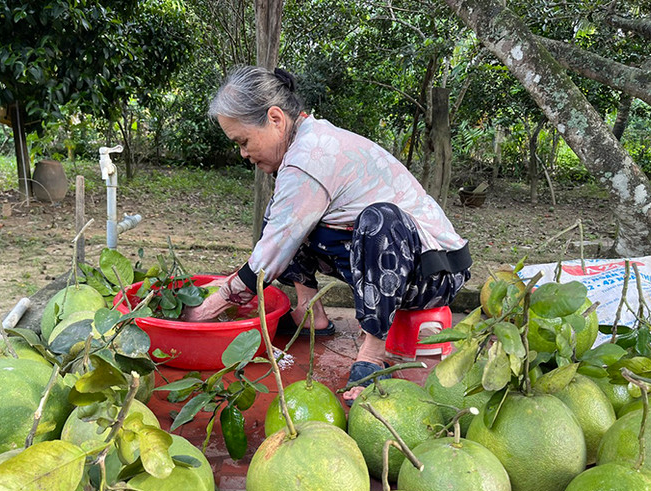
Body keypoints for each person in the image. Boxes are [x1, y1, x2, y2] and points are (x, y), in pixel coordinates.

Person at [181, 65, 471, 403]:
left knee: (379, 221)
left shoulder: (309, 156)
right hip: (398, 264)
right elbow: (280, 234)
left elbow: (272, 252)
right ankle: (310, 313)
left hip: (434, 273)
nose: (243, 154)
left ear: (275, 119)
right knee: (282, 216)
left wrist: (211, 307)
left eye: (243, 142)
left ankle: (373, 352)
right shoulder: (304, 145)